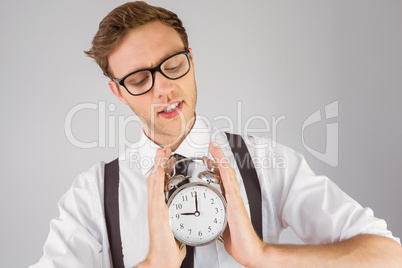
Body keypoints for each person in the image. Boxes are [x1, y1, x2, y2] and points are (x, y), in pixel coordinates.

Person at [30, 1, 402, 267]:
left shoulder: (266, 164)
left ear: (191, 60)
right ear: (118, 92)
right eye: (140, 79)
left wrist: (263, 256)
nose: (163, 90)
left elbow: (389, 255)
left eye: (173, 65)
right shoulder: (93, 193)